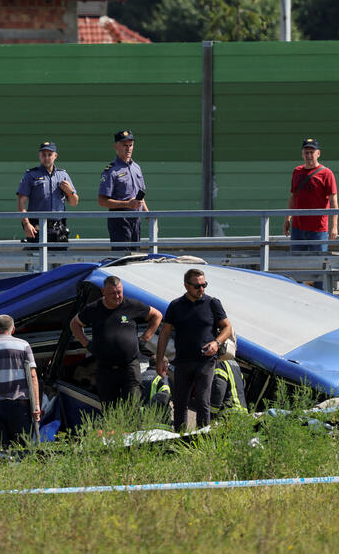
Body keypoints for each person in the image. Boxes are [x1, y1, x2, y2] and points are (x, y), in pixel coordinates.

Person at [156, 269, 233, 432]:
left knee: (202, 400)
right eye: (197, 286)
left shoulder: (212, 303)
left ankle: (203, 437)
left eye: (204, 285)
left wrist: (216, 343)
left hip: (205, 360)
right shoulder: (175, 305)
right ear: (186, 286)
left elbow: (227, 327)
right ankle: (180, 437)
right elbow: (164, 333)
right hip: (183, 361)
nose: (201, 289)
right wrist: (160, 358)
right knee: (180, 401)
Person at [70, 275, 163, 407]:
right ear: (104, 292)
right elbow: (74, 324)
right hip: (105, 369)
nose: (117, 296)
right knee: (109, 410)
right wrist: (86, 343)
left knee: (132, 408)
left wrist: (145, 338)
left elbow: (157, 315)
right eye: (112, 293)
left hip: (129, 367)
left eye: (119, 292)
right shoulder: (93, 309)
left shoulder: (132, 305)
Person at [0, 314, 40, 447]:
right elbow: (32, 376)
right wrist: (36, 405)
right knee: (23, 448)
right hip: (19, 405)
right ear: (13, 329)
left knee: (0, 449)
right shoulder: (24, 346)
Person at [17, 141, 79, 246]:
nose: (46, 158)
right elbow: (21, 202)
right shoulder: (31, 175)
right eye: (43, 155)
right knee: (37, 260)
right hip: (37, 228)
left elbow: (74, 202)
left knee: (59, 260)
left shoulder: (63, 175)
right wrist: (26, 224)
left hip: (58, 229)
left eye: (49, 155)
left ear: (55, 155)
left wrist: (70, 192)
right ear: (39, 156)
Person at [283, 138, 338, 252]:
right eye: (306, 152)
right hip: (297, 227)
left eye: (312, 152)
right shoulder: (297, 171)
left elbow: (333, 202)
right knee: (296, 263)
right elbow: (292, 197)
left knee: (319, 262)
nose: (309, 155)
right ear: (302, 154)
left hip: (318, 228)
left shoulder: (326, 173)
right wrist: (287, 219)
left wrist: (334, 226)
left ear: (318, 153)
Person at [97, 130, 147, 249]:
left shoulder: (136, 168)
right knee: (121, 258)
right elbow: (102, 201)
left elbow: (141, 197)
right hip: (119, 218)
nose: (128, 148)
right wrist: (127, 204)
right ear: (116, 146)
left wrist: (149, 217)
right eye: (125, 145)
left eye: (131, 145)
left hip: (136, 219)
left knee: (136, 257)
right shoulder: (111, 170)